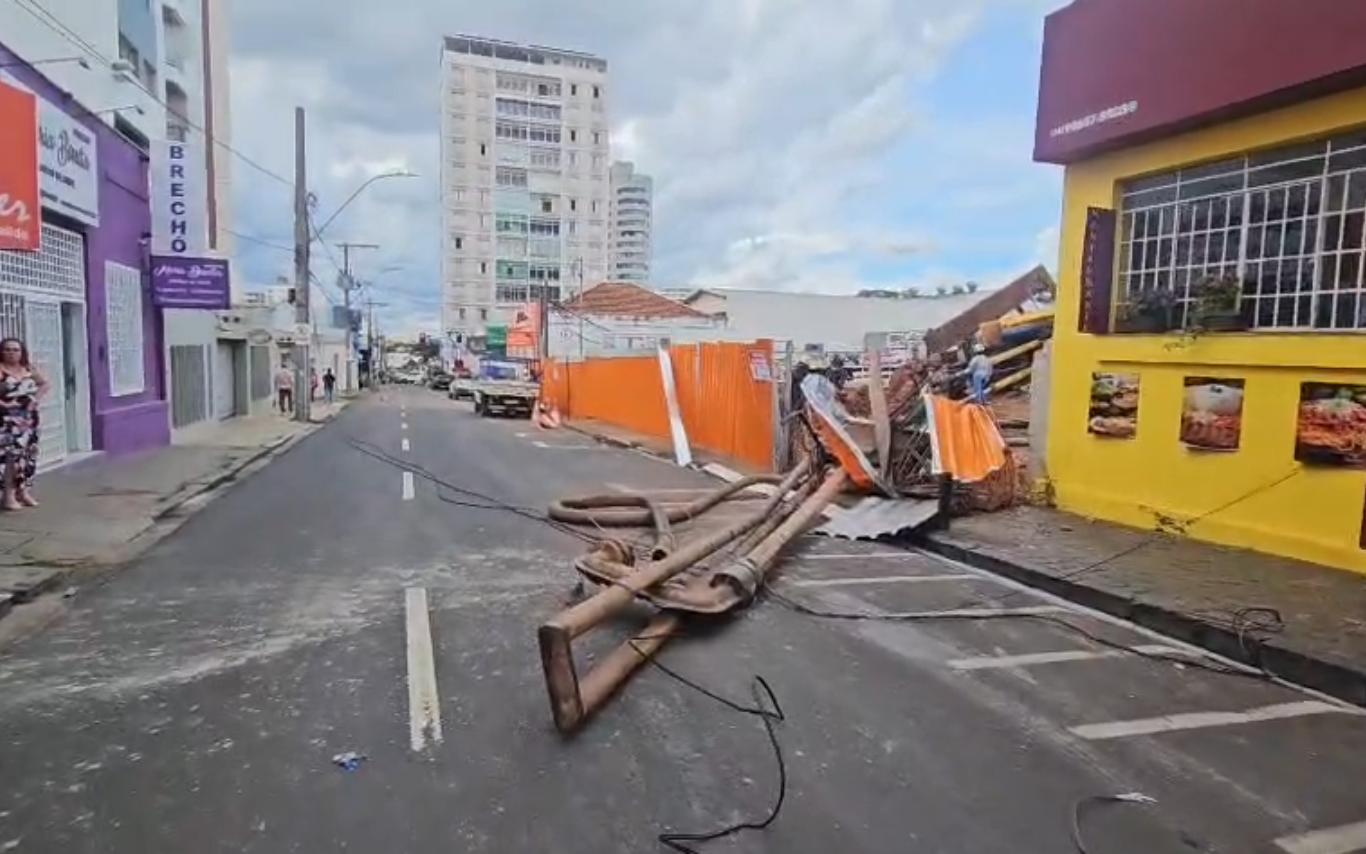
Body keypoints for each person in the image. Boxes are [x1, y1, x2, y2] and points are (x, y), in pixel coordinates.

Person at [0, 338, 49, 510]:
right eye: (7, 349)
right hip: (7, 421)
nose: (11, 353)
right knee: (10, 458)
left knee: (27, 456)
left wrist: (35, 399)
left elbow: (44, 384)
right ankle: (8, 496)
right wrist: (4, 404)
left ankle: (23, 491)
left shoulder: (28, 369)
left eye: (15, 350)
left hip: (28, 419)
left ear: (22, 352)